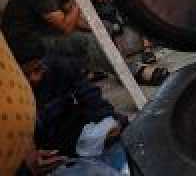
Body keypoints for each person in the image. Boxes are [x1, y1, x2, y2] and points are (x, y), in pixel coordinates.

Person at [14, 39, 128, 173]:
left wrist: (111, 121)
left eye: (38, 69)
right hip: (49, 151)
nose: (34, 78)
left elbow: (91, 97)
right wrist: (30, 161)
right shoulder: (12, 98)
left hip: (75, 135)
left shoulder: (60, 68)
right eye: (25, 75)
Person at [1, 0, 109, 79]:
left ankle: (86, 71)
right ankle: (121, 72)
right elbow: (66, 27)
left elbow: (71, 16)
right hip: (26, 42)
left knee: (103, 27)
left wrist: (95, 27)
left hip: (45, 31)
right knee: (87, 40)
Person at [85, 0, 169, 86]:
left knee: (137, 16)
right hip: (107, 15)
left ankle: (147, 50)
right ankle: (121, 63)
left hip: (119, 10)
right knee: (112, 28)